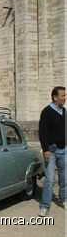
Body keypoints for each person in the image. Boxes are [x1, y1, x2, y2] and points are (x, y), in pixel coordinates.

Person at [38, 86, 66, 216]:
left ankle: (64, 199)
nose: (65, 98)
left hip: (64, 150)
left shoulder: (64, 111)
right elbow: (42, 132)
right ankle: (45, 206)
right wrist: (45, 150)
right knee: (49, 179)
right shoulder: (46, 112)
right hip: (51, 151)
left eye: (65, 96)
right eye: (63, 96)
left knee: (64, 178)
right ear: (55, 97)